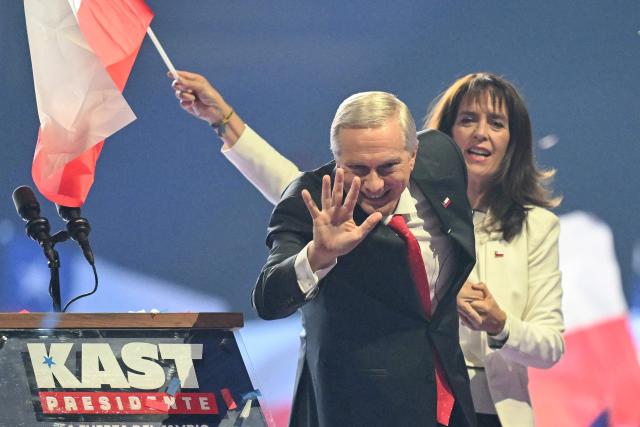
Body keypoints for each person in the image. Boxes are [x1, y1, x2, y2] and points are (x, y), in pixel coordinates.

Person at [170, 71, 564, 426]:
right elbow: (276, 267)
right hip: (359, 404)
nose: (373, 185)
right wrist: (226, 123)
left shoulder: (460, 183)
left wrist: (500, 323)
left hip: (474, 406)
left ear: (415, 156)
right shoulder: (327, 201)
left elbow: (551, 345)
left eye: (496, 123)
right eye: (467, 120)